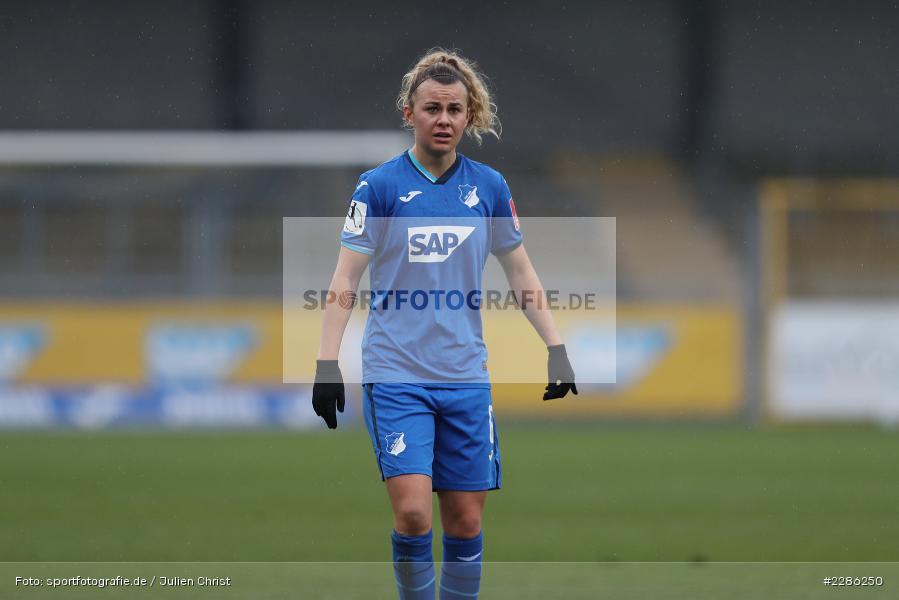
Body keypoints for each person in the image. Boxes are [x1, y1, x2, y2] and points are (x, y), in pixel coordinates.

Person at [311, 48, 577, 600]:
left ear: (470, 115)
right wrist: (325, 361)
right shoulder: (378, 187)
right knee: (412, 515)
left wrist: (556, 347)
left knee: (466, 524)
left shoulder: (489, 188)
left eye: (455, 109)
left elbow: (520, 269)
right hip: (396, 375)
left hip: (464, 378)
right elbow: (344, 277)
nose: (444, 119)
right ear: (409, 113)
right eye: (432, 108)